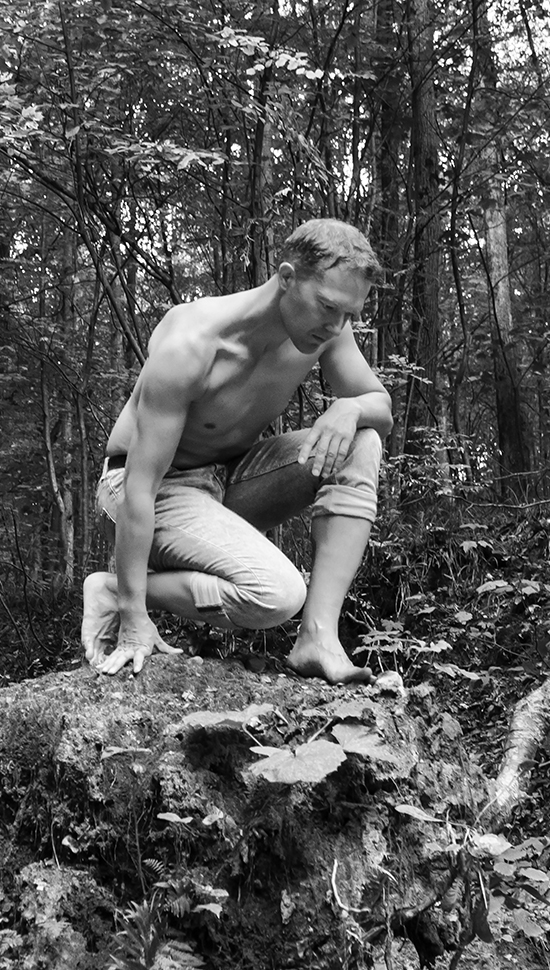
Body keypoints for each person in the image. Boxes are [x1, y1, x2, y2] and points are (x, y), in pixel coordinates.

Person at [81, 218, 392, 683]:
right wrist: (132, 616)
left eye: (349, 314)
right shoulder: (192, 345)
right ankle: (114, 591)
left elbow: (380, 407)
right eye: (328, 307)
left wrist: (350, 407)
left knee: (361, 440)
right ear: (287, 278)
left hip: (225, 480)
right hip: (139, 487)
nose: (336, 325)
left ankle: (318, 637)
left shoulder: (329, 330)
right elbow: (139, 490)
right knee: (277, 595)